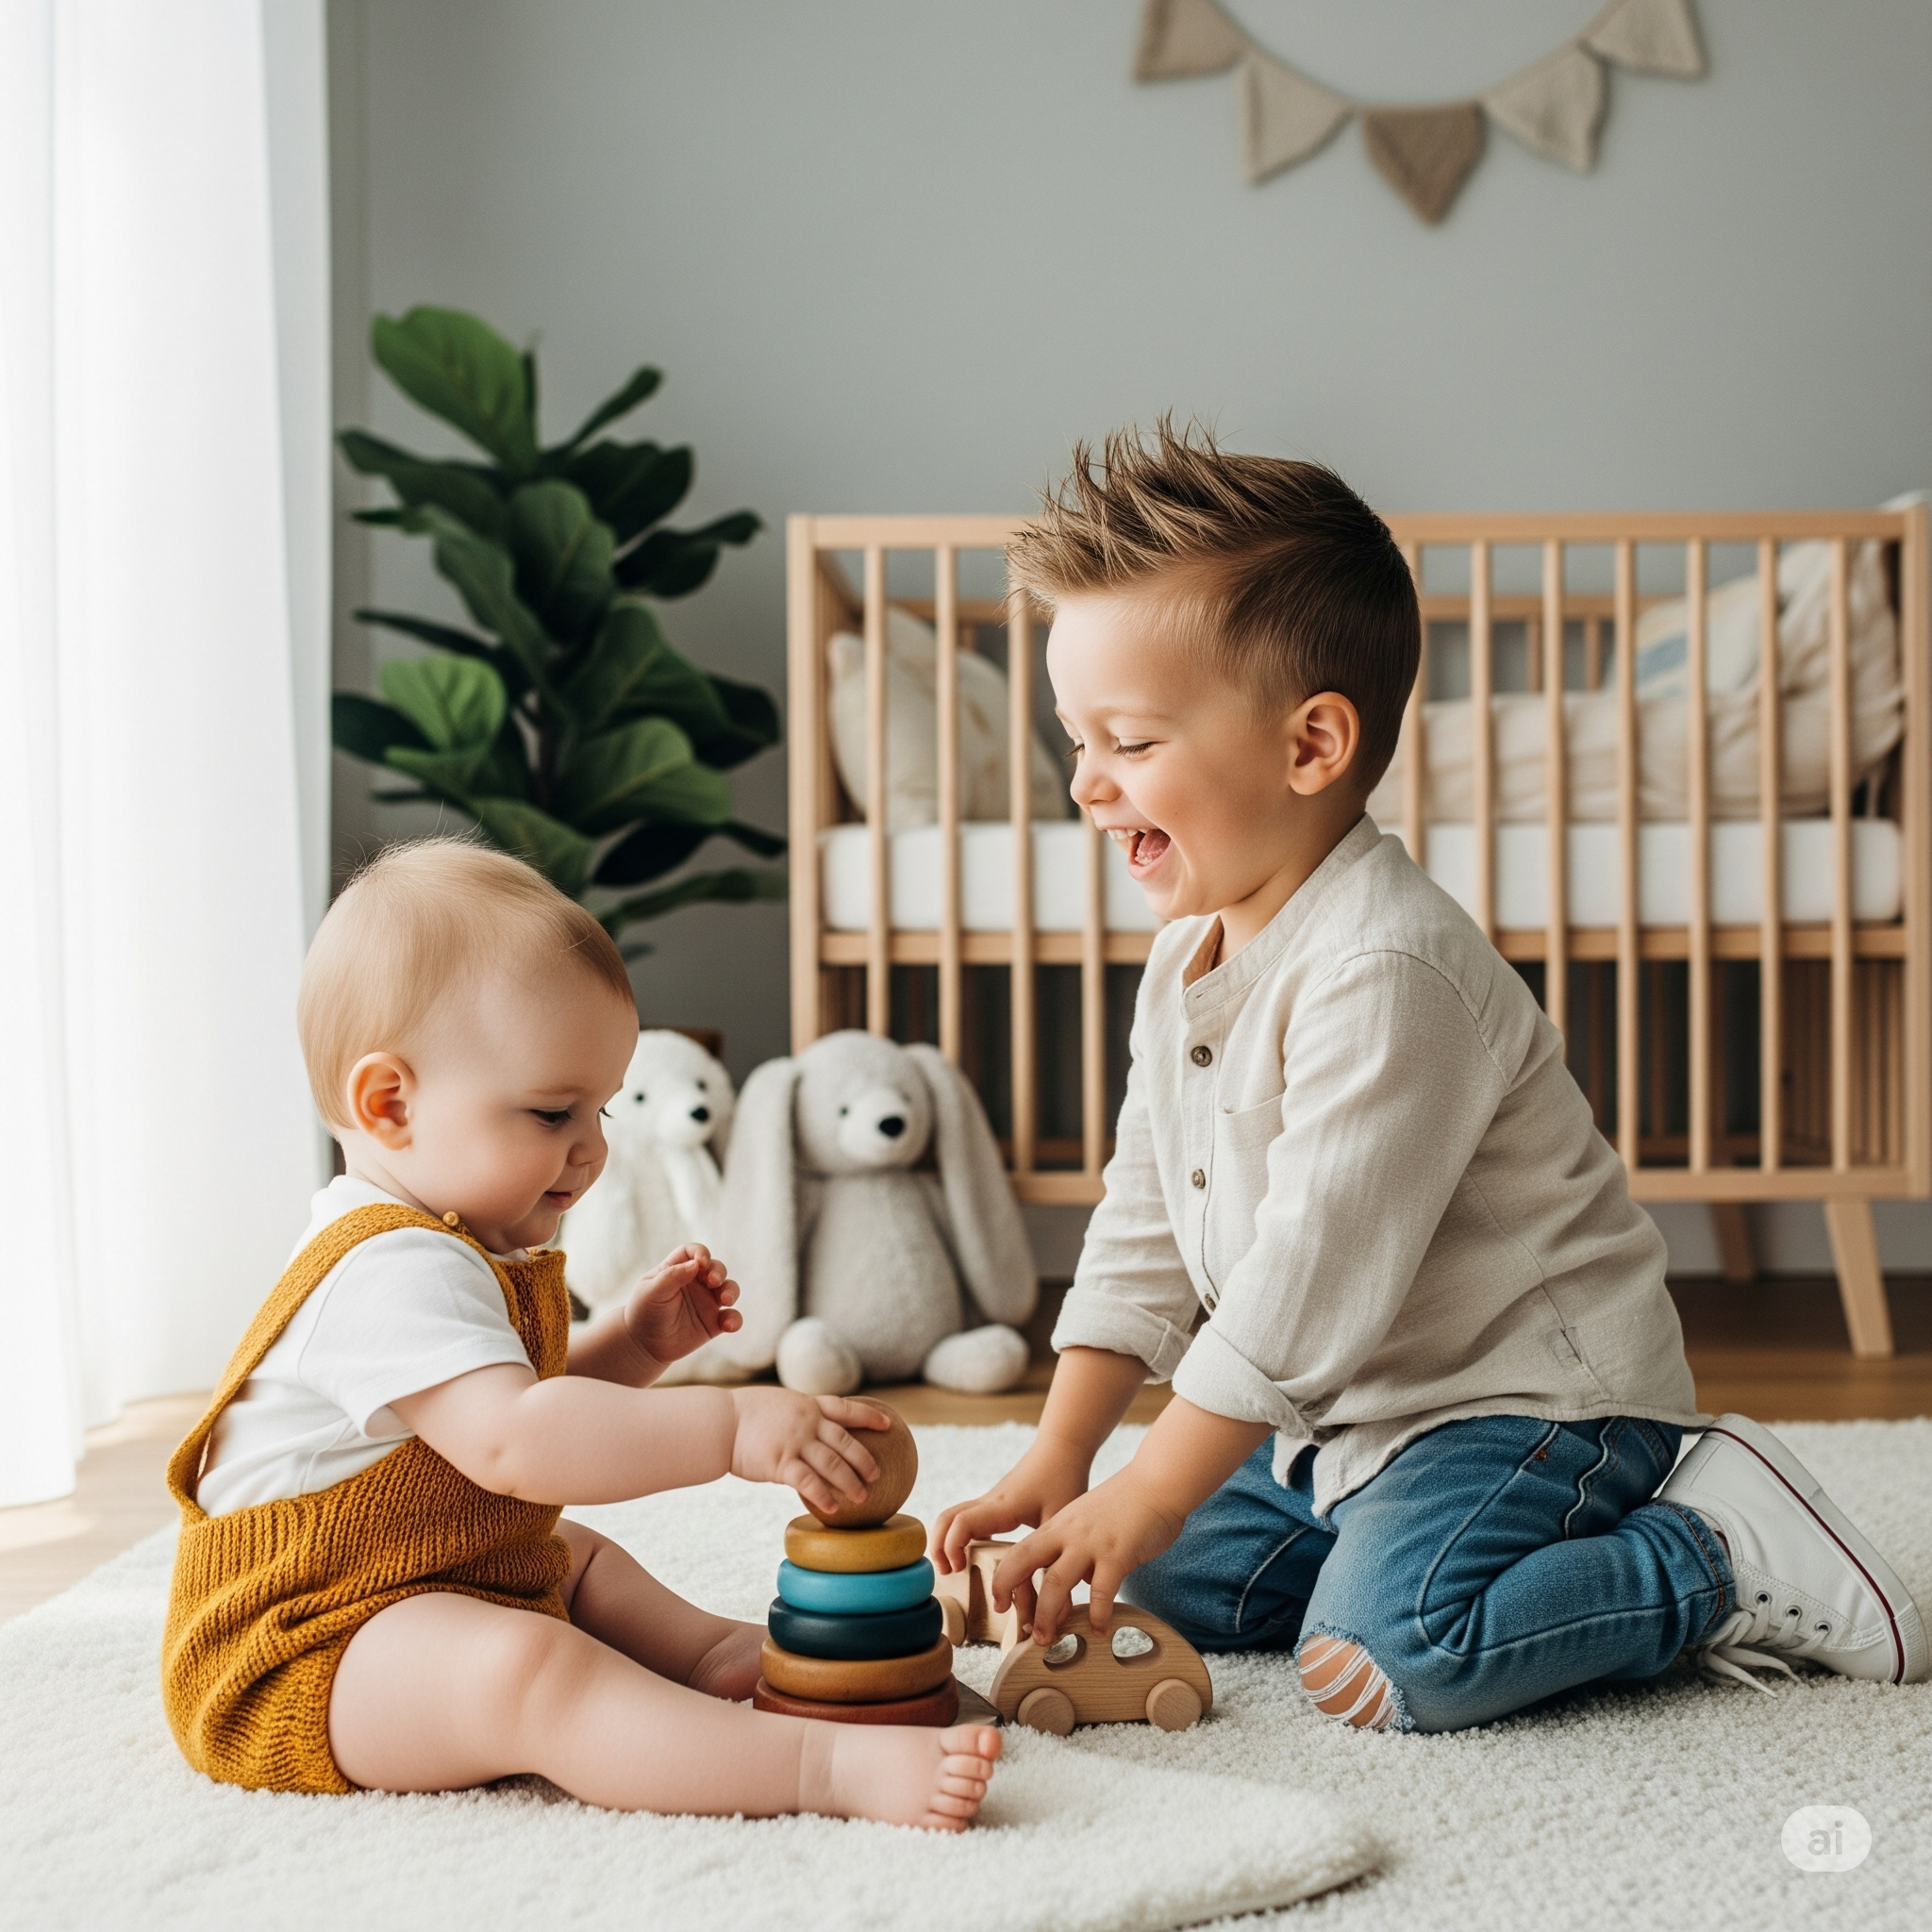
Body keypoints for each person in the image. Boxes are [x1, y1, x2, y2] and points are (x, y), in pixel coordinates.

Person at [936, 421, 1925, 1733]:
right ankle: (1370, 1532)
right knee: (1154, 1575)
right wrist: (1066, 1461)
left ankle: (1715, 1549)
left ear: (1311, 747)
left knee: (1401, 1652)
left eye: (1128, 740)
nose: (1086, 783)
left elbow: (1302, 1289)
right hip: (1342, 1420)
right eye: (1079, 739)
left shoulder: (1387, 967)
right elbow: (1142, 1217)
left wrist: (1152, 1483)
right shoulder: (1191, 957)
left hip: (1524, 1404)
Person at [163, 839, 998, 1824]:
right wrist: (730, 1427)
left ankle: (720, 1660)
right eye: (554, 1110)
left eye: (599, 1108)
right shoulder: (380, 1267)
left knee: (573, 1561)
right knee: (533, 1665)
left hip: (431, 1575)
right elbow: (518, 1440)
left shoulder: (452, 1242)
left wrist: (633, 1347)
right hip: (301, 1649)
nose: (593, 1147)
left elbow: (509, 1399)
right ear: (390, 1102)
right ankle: (819, 1769)